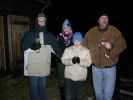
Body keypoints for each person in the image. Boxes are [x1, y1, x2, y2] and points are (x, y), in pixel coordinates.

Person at [83, 11, 127, 100]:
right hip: (95, 69)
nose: (105, 20)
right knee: (98, 93)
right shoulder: (91, 32)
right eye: (102, 18)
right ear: (98, 20)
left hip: (110, 69)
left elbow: (123, 44)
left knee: (108, 95)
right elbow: (84, 46)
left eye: (106, 18)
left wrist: (112, 47)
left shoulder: (114, 31)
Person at [22, 12, 60, 100]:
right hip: (33, 67)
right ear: (37, 22)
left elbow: (57, 49)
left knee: (42, 87)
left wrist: (66, 57)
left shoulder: (49, 36)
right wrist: (31, 46)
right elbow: (24, 46)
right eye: (40, 20)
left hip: (44, 67)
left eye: (43, 21)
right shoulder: (30, 34)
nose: (41, 22)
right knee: (34, 88)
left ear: (45, 22)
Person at [61, 32, 92, 100]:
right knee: (68, 96)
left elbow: (89, 62)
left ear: (81, 41)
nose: (77, 42)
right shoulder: (68, 50)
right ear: (73, 40)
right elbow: (63, 60)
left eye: (78, 40)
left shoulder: (86, 51)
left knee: (79, 96)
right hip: (69, 76)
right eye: (75, 40)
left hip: (80, 77)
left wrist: (80, 61)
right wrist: (71, 61)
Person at [56, 19, 74, 100]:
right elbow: (56, 48)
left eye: (67, 27)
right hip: (61, 62)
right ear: (62, 29)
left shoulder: (74, 37)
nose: (66, 29)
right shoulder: (59, 36)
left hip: (71, 63)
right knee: (61, 79)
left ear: (70, 28)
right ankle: (62, 96)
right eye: (64, 28)